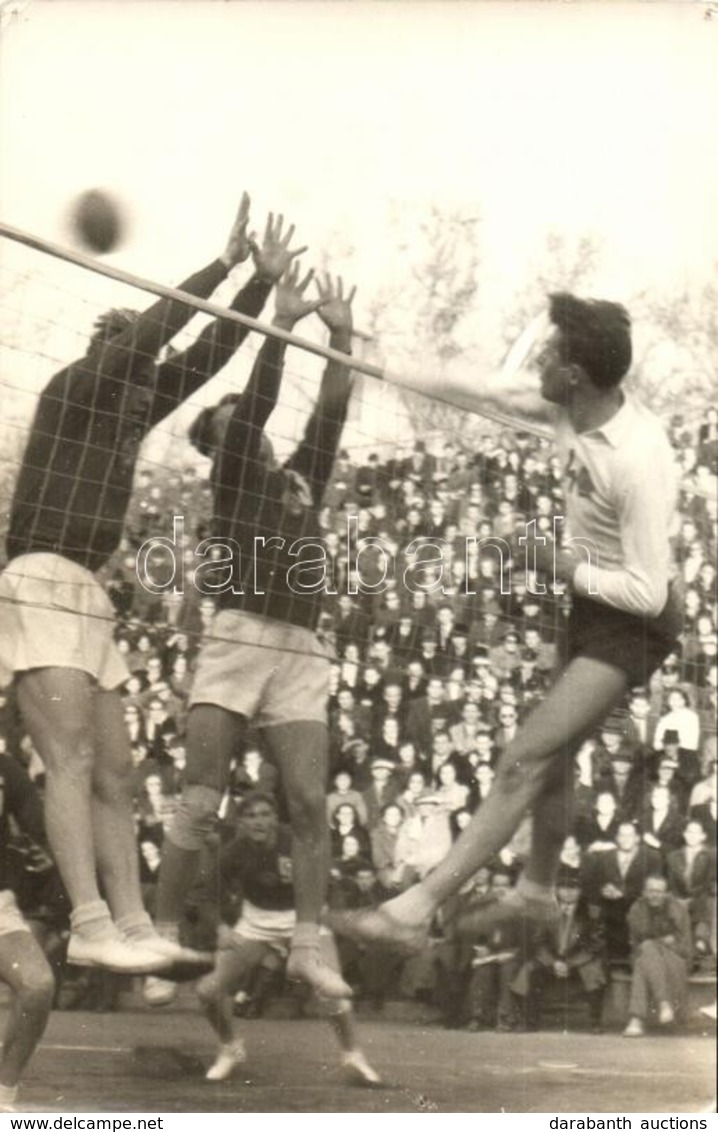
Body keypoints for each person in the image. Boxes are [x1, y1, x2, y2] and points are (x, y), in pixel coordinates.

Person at [328, 292, 681, 951]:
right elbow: (482, 389)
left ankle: (415, 908)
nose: (539, 358)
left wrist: (555, 563)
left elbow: (648, 589)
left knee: (524, 759)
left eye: (551, 353)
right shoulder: (569, 405)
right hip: (594, 604)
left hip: (636, 617)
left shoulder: (639, 458)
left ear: (574, 373)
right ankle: (538, 891)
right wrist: (370, 363)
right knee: (552, 760)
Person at [0, 194, 287, 974]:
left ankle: (129, 924)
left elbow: (205, 357)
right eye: (131, 363)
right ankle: (89, 921)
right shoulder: (73, 391)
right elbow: (162, 335)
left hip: (88, 590)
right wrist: (221, 265)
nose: (146, 385)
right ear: (108, 360)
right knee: (66, 761)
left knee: (117, 772)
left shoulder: (131, 404)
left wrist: (259, 290)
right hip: (38, 576)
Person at [153, 268, 358, 999]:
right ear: (217, 447)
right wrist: (282, 323)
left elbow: (331, 412)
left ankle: (307, 942)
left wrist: (340, 334)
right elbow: (258, 403)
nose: (246, 431)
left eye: (239, 422)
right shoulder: (234, 474)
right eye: (229, 427)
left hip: (299, 646)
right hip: (239, 636)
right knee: (202, 797)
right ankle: (162, 934)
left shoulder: (298, 476)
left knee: (308, 800)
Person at [195, 792, 380, 1086]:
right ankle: (230, 1046)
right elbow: (206, 896)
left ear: (275, 818)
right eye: (251, 815)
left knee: (334, 995)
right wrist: (220, 928)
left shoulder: (295, 843)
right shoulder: (234, 852)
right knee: (207, 991)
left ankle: (352, 1054)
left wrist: (327, 910)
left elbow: (330, 882)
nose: (259, 821)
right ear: (241, 821)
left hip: (303, 920)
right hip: (257, 921)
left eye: (265, 814)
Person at [0, 751, 55, 1111]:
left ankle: (4, 1091)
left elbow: (40, 825)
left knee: (38, 985)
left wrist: (45, 849)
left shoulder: (5, 767)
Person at [623, 875, 692, 1037]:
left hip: (675, 958)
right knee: (646, 952)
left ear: (666, 893)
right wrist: (662, 940)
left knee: (645, 957)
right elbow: (636, 940)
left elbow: (685, 948)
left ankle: (636, 1019)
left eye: (660, 891)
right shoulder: (637, 908)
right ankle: (665, 1005)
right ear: (644, 892)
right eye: (651, 891)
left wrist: (664, 944)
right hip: (644, 955)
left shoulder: (678, 908)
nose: (655, 895)